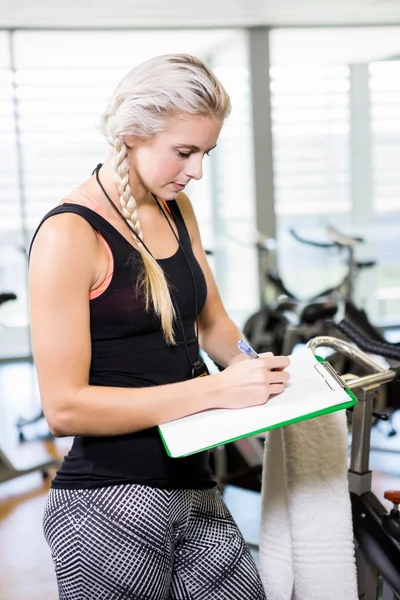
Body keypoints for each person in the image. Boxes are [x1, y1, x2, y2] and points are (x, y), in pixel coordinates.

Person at [29, 53, 290, 600]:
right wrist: (214, 389)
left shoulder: (177, 209)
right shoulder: (70, 234)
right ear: (132, 135)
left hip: (194, 482)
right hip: (106, 501)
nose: (196, 171)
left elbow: (215, 321)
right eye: (185, 152)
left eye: (206, 154)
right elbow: (64, 408)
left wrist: (249, 363)